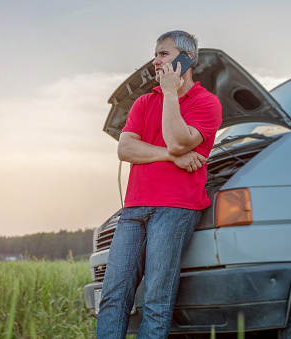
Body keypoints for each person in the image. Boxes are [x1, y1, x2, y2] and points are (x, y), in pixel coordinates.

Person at [96, 30, 223, 338]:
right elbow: (125, 149)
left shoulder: (207, 103)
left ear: (186, 59)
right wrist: (170, 157)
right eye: (155, 54)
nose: (156, 61)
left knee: (156, 298)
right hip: (135, 208)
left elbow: (180, 141)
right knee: (114, 295)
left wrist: (169, 94)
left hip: (176, 208)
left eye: (164, 54)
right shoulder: (142, 103)